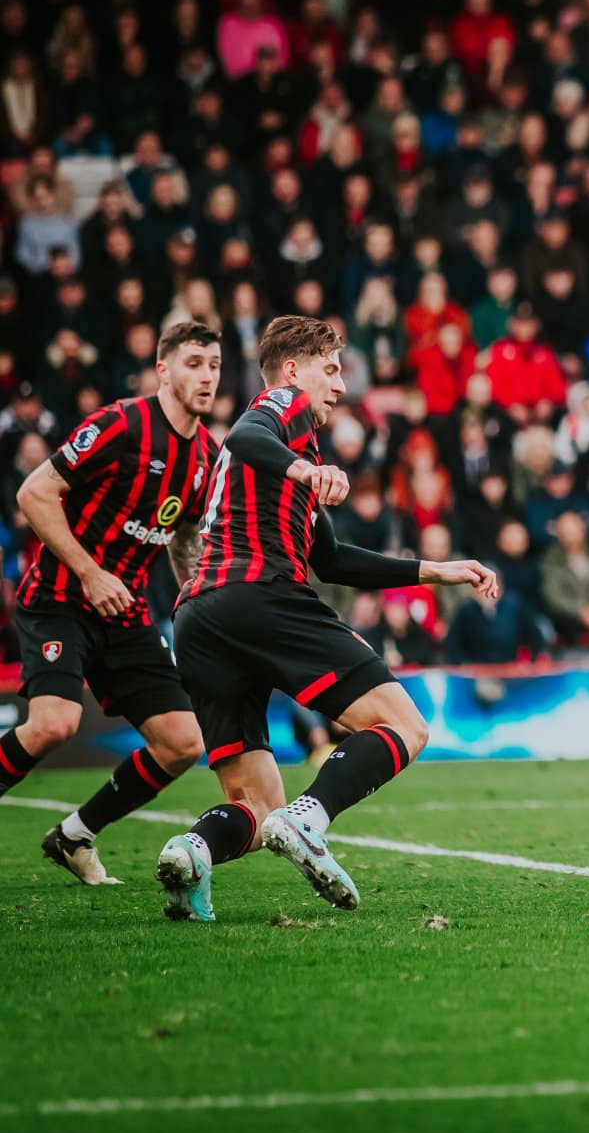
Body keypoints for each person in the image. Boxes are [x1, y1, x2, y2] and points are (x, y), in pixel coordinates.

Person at [155, 316, 500, 923]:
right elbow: (242, 433)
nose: (340, 387)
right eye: (332, 370)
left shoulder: (286, 455)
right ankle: (310, 821)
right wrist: (303, 470)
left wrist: (438, 570)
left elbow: (335, 560)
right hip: (258, 595)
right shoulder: (280, 409)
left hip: (199, 619)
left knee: (254, 807)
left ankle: (191, 853)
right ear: (293, 371)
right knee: (406, 727)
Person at [3, 324, 220, 885]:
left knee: (182, 743)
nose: (207, 376)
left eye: (215, 365)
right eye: (194, 363)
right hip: (61, 596)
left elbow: (186, 536)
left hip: (123, 609)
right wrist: (89, 571)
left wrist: (198, 603)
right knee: (55, 724)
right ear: (163, 370)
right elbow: (34, 493)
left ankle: (75, 836)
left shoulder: (207, 456)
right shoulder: (121, 423)